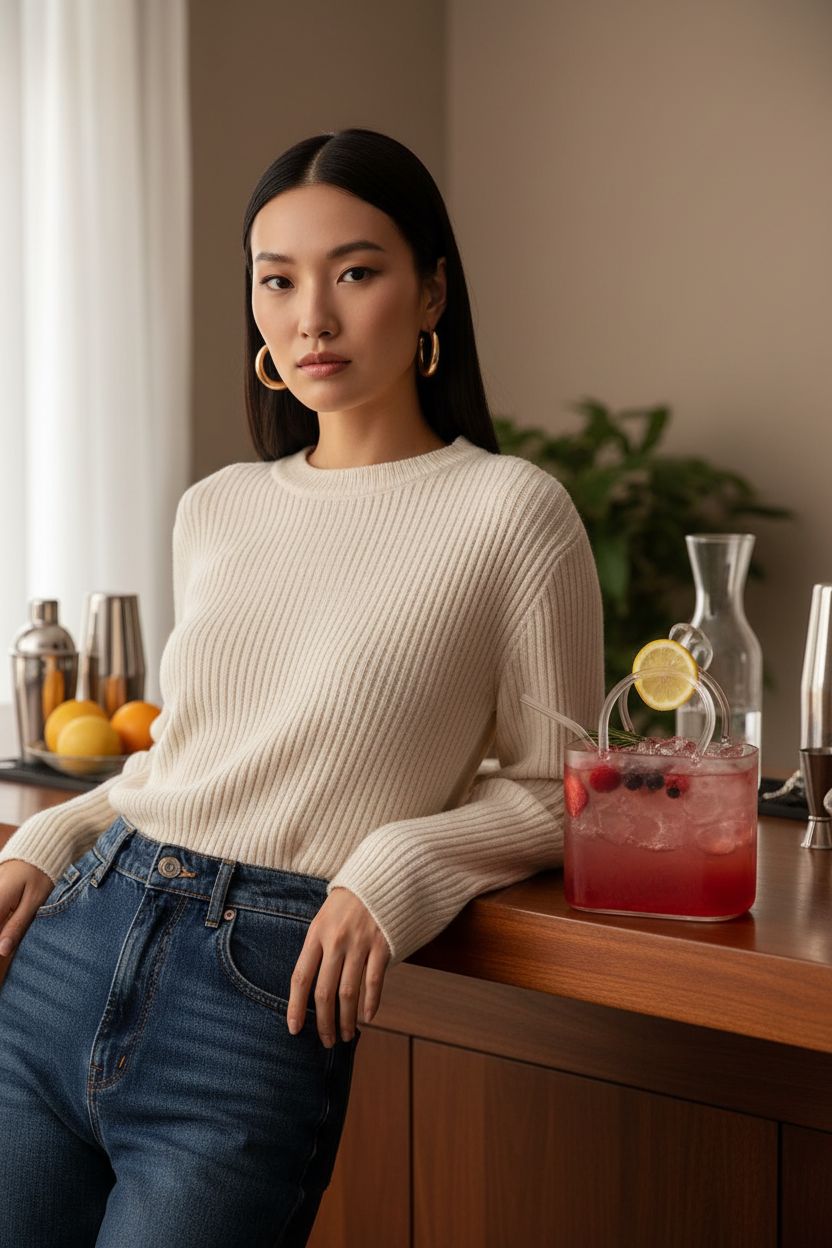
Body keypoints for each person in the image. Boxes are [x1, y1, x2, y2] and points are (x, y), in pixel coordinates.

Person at [0, 127, 604, 1245]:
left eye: (356, 272)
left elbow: (554, 787)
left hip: (256, 992)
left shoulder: (512, 513)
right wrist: (52, 839)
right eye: (276, 280)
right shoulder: (217, 505)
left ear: (430, 294)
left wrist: (393, 867)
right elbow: (193, 760)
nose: (310, 315)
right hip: (68, 950)